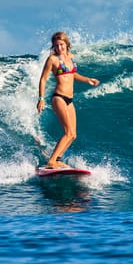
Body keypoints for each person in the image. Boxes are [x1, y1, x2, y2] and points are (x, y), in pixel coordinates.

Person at [36, 31, 100, 168]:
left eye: (61, 45)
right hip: (58, 97)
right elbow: (43, 79)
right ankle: (51, 161)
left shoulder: (71, 57)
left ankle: (57, 158)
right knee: (68, 132)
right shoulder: (52, 60)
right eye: (56, 46)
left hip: (69, 99)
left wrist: (87, 80)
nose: (59, 48)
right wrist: (41, 98)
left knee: (73, 135)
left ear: (66, 44)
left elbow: (73, 74)